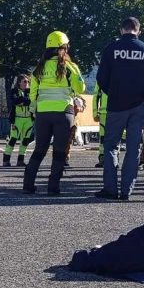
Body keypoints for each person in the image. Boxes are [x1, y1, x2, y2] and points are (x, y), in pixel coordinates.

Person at [94, 17, 144, 201]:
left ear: (121, 29)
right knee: (133, 148)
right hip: (139, 105)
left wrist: (113, 93)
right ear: (138, 30)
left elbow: (101, 78)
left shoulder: (111, 49)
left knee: (111, 147)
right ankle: (127, 190)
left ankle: (110, 188)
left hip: (116, 105)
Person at [22, 31, 86, 195]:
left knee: (39, 150)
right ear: (64, 47)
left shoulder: (39, 68)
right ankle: (53, 187)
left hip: (42, 113)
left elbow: (33, 93)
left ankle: (28, 185)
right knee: (59, 152)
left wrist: (34, 110)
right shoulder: (69, 67)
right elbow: (81, 88)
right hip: (64, 113)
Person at [3, 74, 34, 167]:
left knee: (25, 141)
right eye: (25, 81)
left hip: (28, 119)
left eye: (28, 82)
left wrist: (22, 101)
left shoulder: (31, 92)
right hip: (17, 119)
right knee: (13, 139)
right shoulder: (14, 91)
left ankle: (20, 160)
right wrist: (25, 101)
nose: (26, 83)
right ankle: (6, 160)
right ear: (19, 82)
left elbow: (32, 102)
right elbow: (14, 101)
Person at [92, 83, 108, 168]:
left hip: (116, 113)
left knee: (116, 137)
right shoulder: (102, 78)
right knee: (103, 137)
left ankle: (114, 158)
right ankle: (103, 157)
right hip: (104, 113)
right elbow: (96, 96)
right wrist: (95, 113)